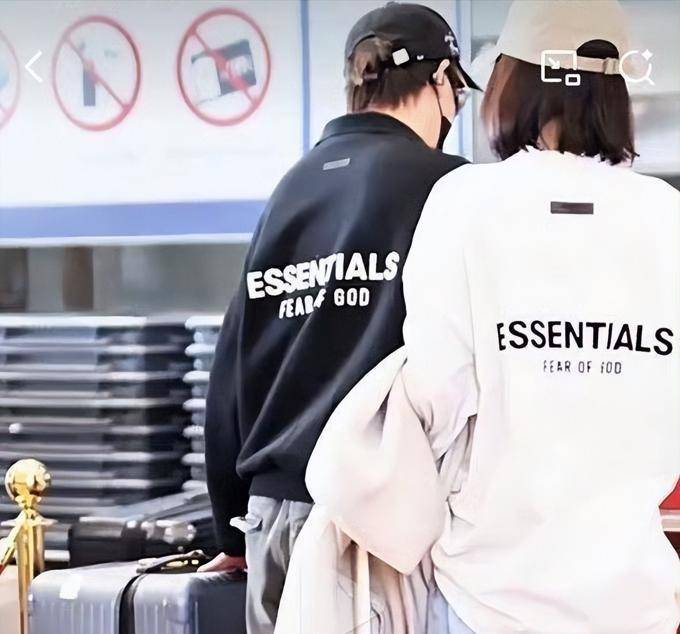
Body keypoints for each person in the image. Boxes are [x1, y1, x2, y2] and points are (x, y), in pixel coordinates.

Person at [389, 0, 679, 631]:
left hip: (488, 595)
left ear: (511, 83)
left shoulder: (465, 202)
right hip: (634, 600)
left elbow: (435, 395)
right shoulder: (667, 216)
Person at [199, 3, 478, 632]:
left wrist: (232, 531)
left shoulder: (290, 187)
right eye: (457, 91)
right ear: (439, 81)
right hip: (374, 527)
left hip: (271, 518)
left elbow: (231, 369)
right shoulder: (448, 187)